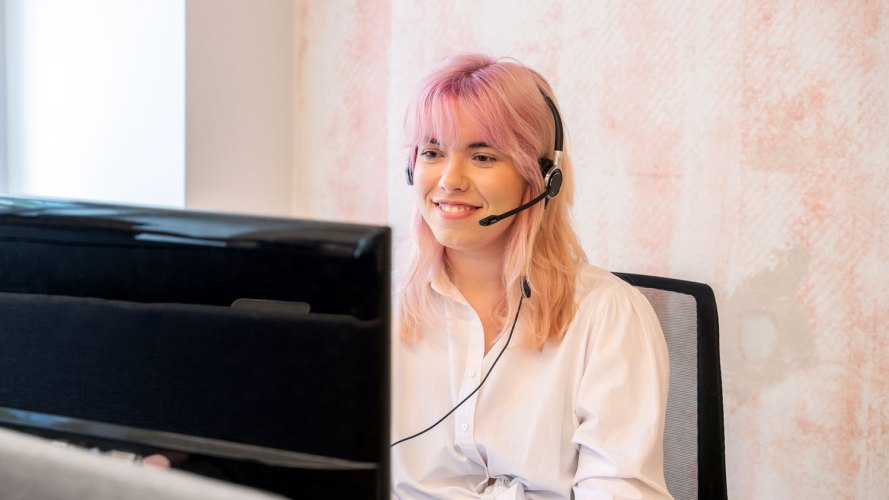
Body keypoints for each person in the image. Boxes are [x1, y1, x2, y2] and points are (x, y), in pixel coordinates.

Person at [390, 53, 673, 500]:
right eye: (432, 152)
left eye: (482, 156)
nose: (449, 180)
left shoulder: (608, 315)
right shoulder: (377, 309)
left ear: (542, 177)